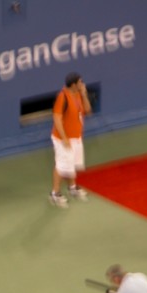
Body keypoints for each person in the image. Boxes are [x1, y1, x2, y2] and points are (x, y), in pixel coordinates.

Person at [49, 72, 92, 208]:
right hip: (63, 139)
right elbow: (57, 118)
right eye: (80, 82)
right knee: (61, 166)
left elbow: (88, 111)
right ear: (73, 84)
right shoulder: (62, 97)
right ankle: (55, 194)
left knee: (72, 163)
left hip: (76, 137)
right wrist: (64, 138)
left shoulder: (78, 94)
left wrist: (84, 94)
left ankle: (72, 188)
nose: (82, 84)